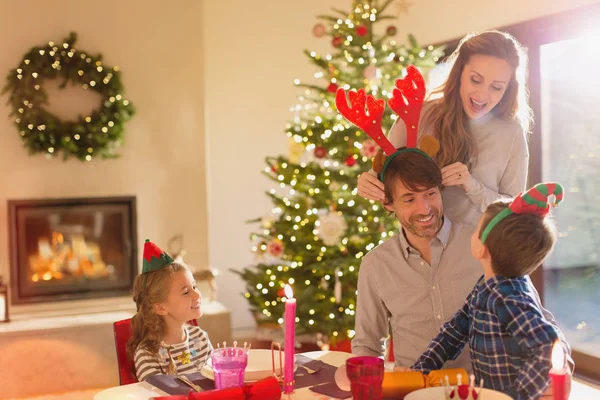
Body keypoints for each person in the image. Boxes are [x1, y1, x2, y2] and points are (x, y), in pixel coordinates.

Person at [410, 183, 572, 399]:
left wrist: (518, 395)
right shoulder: (485, 286)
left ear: (482, 249)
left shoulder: (508, 297)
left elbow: (547, 347)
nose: (472, 232)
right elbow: (454, 332)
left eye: (476, 229)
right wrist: (420, 370)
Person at [357, 30, 532, 227]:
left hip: (478, 251)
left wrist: (472, 186)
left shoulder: (511, 132)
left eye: (497, 87)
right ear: (459, 73)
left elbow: (513, 209)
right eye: (476, 80)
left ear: (508, 88)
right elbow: (386, 168)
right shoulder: (421, 114)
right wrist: (370, 181)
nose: (482, 95)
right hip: (420, 250)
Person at [127, 239, 213, 381]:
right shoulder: (148, 355)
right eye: (186, 292)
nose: (197, 294)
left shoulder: (200, 338)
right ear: (161, 307)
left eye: (194, 286)